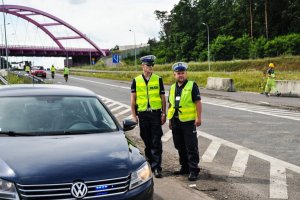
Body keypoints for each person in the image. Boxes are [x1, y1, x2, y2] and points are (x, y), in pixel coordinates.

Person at [130, 55, 166, 178]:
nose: (150, 67)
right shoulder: (136, 80)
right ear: (143, 66)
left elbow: (162, 98)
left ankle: (157, 167)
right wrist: (134, 115)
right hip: (143, 114)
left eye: (152, 65)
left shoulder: (158, 79)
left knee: (156, 140)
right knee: (146, 140)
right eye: (148, 65)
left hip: (155, 114)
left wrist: (163, 113)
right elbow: (133, 99)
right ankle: (149, 163)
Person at [167, 62, 202, 181]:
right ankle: (185, 167)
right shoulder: (172, 87)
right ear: (174, 75)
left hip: (188, 122)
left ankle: (194, 170)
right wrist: (170, 120)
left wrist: (198, 117)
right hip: (175, 121)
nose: (180, 75)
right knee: (179, 145)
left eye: (182, 73)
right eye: (178, 73)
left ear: (186, 74)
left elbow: (198, 102)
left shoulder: (192, 85)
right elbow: (170, 104)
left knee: (191, 146)